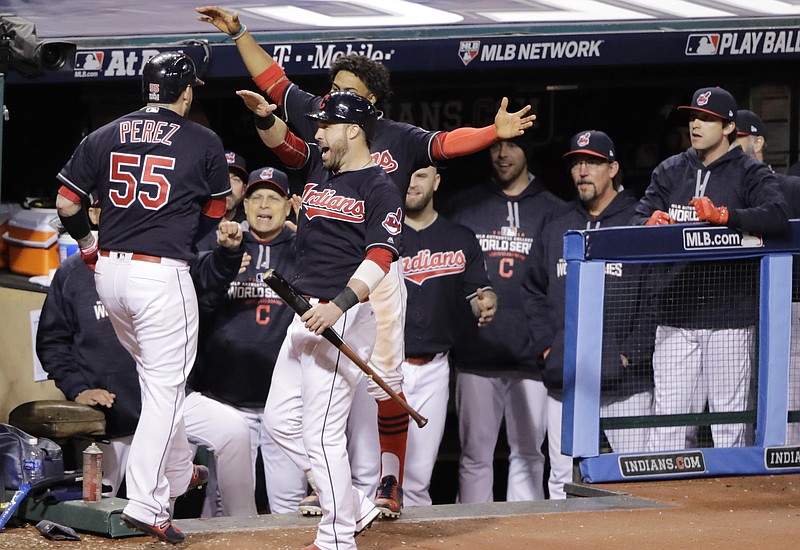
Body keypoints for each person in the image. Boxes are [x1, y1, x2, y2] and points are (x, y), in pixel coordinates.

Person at [196, 6, 535, 517]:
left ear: (368, 103)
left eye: (342, 88)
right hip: (325, 271)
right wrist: (240, 34)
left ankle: (389, 482)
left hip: (376, 271)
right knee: (316, 408)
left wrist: (492, 131)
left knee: (386, 380)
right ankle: (332, 486)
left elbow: (446, 143)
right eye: (330, 88)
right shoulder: (325, 121)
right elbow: (275, 81)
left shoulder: (397, 136)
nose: (328, 97)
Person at [54, 51, 232, 544]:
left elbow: (66, 202)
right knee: (165, 389)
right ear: (187, 91)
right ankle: (149, 503)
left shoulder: (105, 133)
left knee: (156, 381)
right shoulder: (202, 139)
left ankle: (176, 473)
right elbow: (217, 210)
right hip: (161, 274)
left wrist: (88, 245)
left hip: (109, 272)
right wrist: (185, 235)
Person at [236, 88, 402, 550]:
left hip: (341, 316)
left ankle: (336, 538)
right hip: (303, 310)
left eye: (326, 126)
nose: (318, 133)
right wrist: (264, 117)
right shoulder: (317, 165)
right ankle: (355, 505)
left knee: (322, 432)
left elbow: (381, 256)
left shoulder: (380, 187)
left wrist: (340, 304)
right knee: (278, 422)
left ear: (353, 130)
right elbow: (282, 144)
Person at [38, 205, 258, 518]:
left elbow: (209, 278)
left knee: (233, 430)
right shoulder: (72, 273)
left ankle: (242, 524)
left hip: (170, 402)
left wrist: (227, 253)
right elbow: (52, 343)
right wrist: (78, 389)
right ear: (96, 215)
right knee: (98, 510)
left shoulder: (164, 262)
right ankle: (172, 484)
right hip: (112, 415)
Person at [632, 87, 789, 452]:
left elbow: (778, 215)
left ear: (729, 126)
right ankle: (668, 509)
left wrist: (725, 216)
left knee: (729, 429)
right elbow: (639, 215)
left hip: (729, 319)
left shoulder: (748, 171)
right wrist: (648, 223)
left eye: (706, 118)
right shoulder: (671, 169)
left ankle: (730, 508)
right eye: (692, 118)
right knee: (668, 426)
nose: (696, 124)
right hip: (674, 317)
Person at [522, 130, 654, 498]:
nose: (582, 171)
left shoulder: (637, 220)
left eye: (592, 163)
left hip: (625, 385)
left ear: (612, 168)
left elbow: (655, 296)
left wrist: (630, 355)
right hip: (567, 380)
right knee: (562, 479)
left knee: (630, 480)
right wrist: (548, 348)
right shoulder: (556, 221)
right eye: (577, 163)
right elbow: (532, 289)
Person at [446, 135, 564, 502]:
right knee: (474, 457)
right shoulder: (464, 206)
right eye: (496, 146)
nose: (502, 154)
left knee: (529, 455)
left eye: (512, 146)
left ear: (527, 152)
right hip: (477, 355)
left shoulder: (554, 210)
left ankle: (522, 539)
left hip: (531, 357)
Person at [189, 165, 308, 514]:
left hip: (285, 404)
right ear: (245, 204)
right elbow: (201, 303)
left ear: (288, 206)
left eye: (274, 197)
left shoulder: (304, 250)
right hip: (227, 401)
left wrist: (311, 232)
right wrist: (224, 260)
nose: (264, 205)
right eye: (257, 197)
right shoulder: (224, 245)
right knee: (224, 503)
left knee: (288, 502)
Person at [400, 165, 497, 506]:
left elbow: (477, 291)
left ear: (437, 181)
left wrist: (485, 302)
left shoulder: (459, 238)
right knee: (368, 475)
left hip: (434, 369)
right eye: (407, 174)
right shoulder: (379, 235)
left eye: (422, 175)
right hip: (383, 367)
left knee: (416, 480)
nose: (413, 182)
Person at [733, 109, 800, 445]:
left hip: (790, 310)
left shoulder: (792, 188)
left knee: (789, 407)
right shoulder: (724, 193)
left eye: (739, 140)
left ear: (759, 142)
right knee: (741, 411)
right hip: (738, 313)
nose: (732, 147)